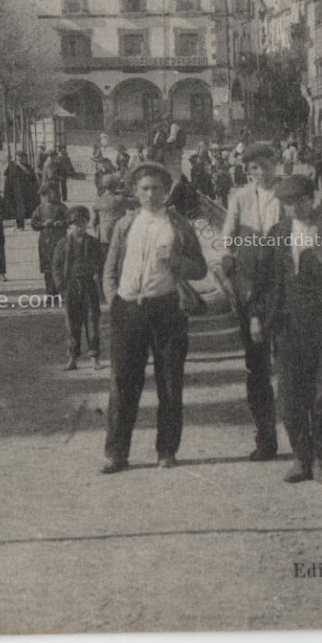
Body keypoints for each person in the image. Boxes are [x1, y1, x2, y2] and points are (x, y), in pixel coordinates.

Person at [100, 162, 209, 474]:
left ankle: (167, 451)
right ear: (135, 192)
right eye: (144, 188)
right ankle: (117, 453)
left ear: (166, 191)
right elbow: (109, 267)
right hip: (128, 309)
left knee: (170, 383)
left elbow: (200, 267)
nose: (150, 194)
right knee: (122, 383)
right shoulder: (125, 224)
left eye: (157, 188)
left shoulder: (178, 224)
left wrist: (175, 260)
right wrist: (115, 300)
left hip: (166, 310)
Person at [259, 175, 322, 484]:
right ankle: (300, 457)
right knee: (289, 396)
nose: (293, 209)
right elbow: (265, 280)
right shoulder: (278, 233)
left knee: (320, 394)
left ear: (312, 198)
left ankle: (320, 459)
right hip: (286, 324)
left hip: (320, 324)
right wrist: (258, 315)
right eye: (287, 205)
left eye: (298, 202)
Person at [220, 144, 285, 462]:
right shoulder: (240, 198)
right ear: (249, 171)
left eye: (266, 164)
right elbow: (228, 242)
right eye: (255, 167)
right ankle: (266, 439)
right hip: (250, 287)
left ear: (276, 164)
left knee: (287, 362)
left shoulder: (288, 195)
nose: (261, 172)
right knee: (257, 366)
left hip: (282, 285)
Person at [51, 206, 104, 371]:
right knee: (72, 323)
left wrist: (100, 283)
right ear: (69, 226)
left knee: (92, 321)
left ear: (87, 223)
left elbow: (102, 264)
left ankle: (94, 356)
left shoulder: (94, 243)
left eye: (82, 223)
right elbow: (56, 266)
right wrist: (61, 286)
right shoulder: (63, 244)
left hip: (89, 286)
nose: (79, 227)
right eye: (75, 224)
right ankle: (73, 357)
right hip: (71, 287)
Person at [30, 183, 71, 299]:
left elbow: (69, 220)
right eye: (44, 195)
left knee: (60, 265)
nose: (46, 197)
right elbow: (33, 224)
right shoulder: (39, 209)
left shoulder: (61, 207)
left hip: (59, 240)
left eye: (49, 194)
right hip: (45, 242)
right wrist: (43, 224)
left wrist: (61, 223)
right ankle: (50, 293)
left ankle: (62, 291)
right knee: (48, 268)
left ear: (53, 194)